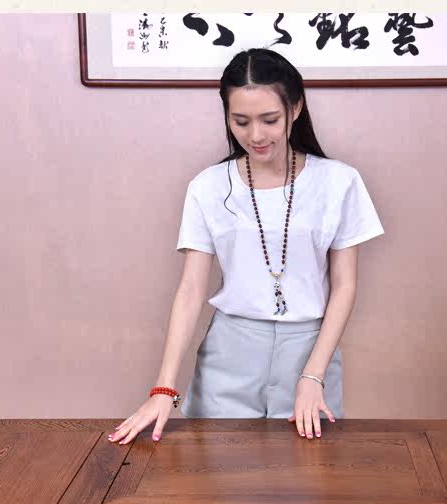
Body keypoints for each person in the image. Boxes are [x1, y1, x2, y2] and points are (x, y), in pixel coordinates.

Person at [107, 47, 384, 445]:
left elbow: (345, 286)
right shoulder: (208, 186)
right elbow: (190, 290)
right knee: (219, 475)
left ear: (295, 108)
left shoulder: (339, 182)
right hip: (229, 354)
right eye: (241, 121)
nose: (255, 135)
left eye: (269, 120)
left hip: (310, 353)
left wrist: (313, 375)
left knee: (309, 476)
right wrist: (163, 388)